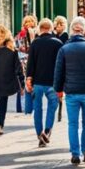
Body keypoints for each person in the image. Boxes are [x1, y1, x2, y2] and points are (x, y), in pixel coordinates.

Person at [54, 17, 85, 165]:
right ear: (83, 30)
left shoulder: (64, 49)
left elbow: (58, 72)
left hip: (71, 92)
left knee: (73, 123)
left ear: (72, 30)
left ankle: (75, 153)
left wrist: (58, 89)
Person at [26, 19, 62, 147]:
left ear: (40, 29)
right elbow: (61, 65)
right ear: (51, 29)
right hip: (53, 82)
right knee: (52, 106)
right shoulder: (58, 43)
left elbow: (30, 64)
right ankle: (47, 130)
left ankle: (39, 134)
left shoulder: (35, 43)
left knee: (38, 109)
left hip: (38, 82)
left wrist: (28, 79)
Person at [0, 26, 24, 135]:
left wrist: (22, 82)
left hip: (1, 78)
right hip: (1, 79)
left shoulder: (11, 51)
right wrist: (22, 83)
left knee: (0, 100)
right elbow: (18, 68)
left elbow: (18, 68)